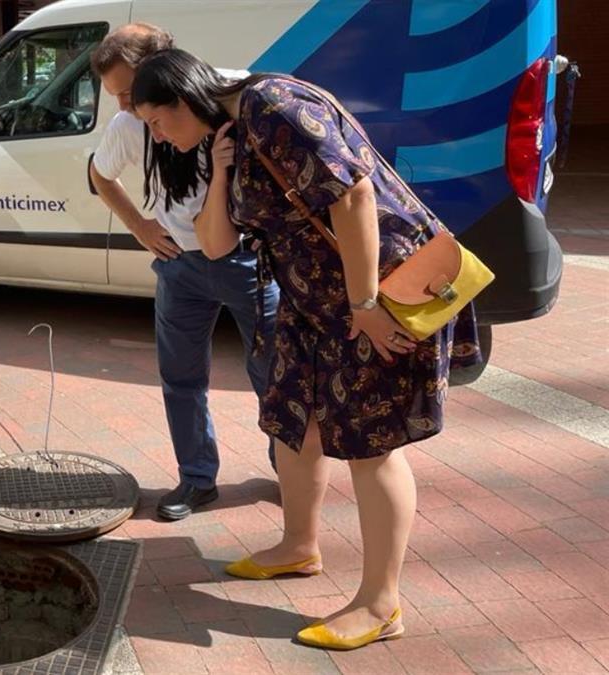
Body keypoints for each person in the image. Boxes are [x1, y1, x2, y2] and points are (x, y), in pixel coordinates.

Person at [129, 48, 482, 649]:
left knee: (373, 448)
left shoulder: (273, 106)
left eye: (157, 121)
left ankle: (380, 604)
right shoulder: (231, 136)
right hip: (310, 308)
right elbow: (215, 246)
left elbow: (354, 196)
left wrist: (366, 303)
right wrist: (218, 171)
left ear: (185, 97)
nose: (156, 135)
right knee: (295, 424)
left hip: (374, 298)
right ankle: (298, 547)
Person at [88, 24, 278, 521]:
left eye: (129, 92)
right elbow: (99, 174)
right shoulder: (129, 124)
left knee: (273, 371)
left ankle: (294, 469)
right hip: (181, 264)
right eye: (116, 97)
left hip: (247, 261)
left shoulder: (230, 94)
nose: (126, 107)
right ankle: (197, 479)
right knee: (182, 378)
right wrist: (140, 226)